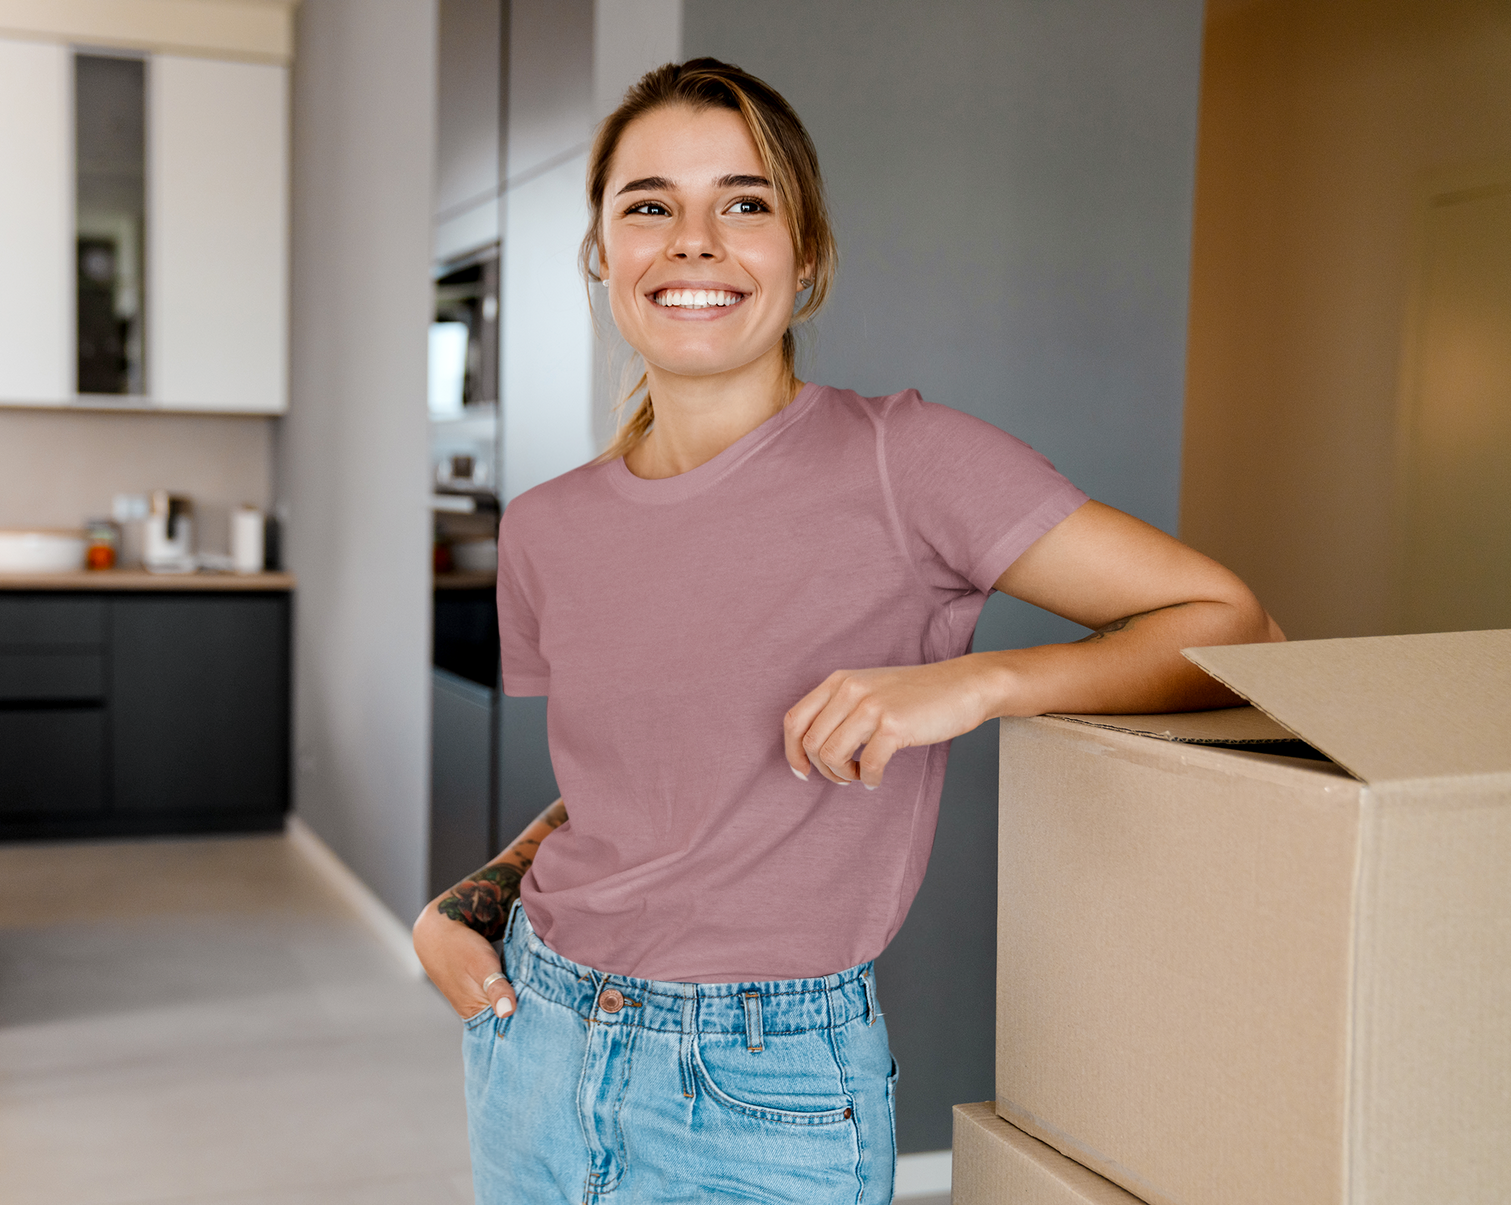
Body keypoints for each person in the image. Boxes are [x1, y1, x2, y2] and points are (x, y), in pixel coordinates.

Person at [412, 58, 1282, 1205]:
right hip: (534, 1039)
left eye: (744, 202)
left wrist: (975, 682)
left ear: (807, 254)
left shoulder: (905, 463)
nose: (692, 241)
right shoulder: (545, 527)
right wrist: (464, 903)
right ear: (602, 254)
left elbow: (1239, 630)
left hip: (762, 1086)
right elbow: (625, 797)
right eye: (648, 205)